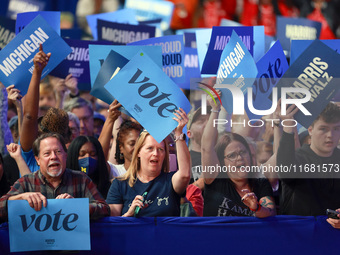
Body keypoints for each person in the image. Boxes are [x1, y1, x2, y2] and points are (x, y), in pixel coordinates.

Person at [0, 133, 110, 221]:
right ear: (37, 159)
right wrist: (20, 198)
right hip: (36, 247)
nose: (53, 157)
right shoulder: (26, 182)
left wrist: (78, 206)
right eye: (47, 153)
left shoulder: (81, 179)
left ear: (65, 155)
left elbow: (105, 209)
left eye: (58, 152)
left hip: (72, 247)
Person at [201, 92, 276, 217]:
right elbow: (206, 148)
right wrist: (215, 110)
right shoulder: (215, 178)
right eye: (232, 155)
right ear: (222, 161)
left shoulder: (260, 183)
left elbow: (271, 213)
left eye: (243, 152)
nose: (239, 158)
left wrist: (256, 207)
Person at [106, 108, 191, 217]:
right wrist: (129, 214)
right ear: (138, 152)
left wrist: (179, 133)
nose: (155, 153)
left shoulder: (170, 181)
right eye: (150, 148)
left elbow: (184, 175)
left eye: (160, 149)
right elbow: (112, 227)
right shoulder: (119, 184)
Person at [277, 102, 340, 216]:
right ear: (310, 130)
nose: (330, 135)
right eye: (323, 129)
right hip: (301, 231)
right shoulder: (297, 159)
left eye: (336, 128)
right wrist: (288, 126)